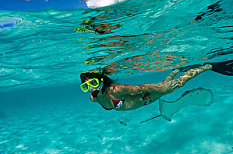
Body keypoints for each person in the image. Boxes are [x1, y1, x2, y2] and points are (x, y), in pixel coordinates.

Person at [80, 60, 233, 111]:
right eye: (86, 86)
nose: (92, 89)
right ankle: (175, 70)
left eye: (93, 83)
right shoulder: (97, 97)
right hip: (148, 99)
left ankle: (207, 66)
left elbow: (141, 88)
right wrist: (93, 93)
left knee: (178, 84)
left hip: (148, 94)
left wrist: (163, 88)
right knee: (168, 85)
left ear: (101, 80)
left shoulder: (114, 90)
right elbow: (92, 97)